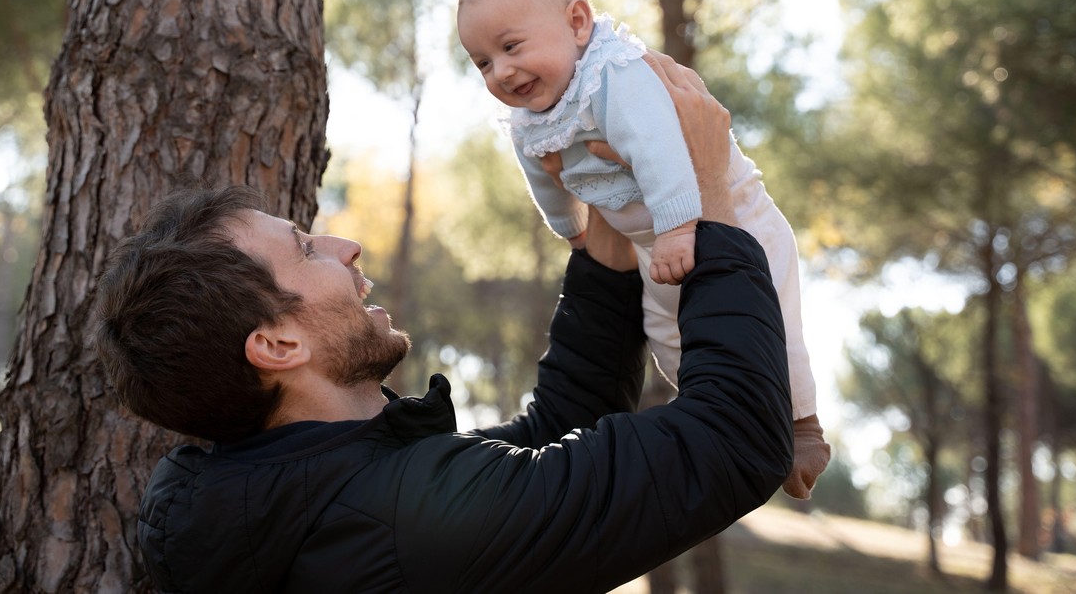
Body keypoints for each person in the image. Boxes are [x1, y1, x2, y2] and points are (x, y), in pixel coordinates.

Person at [95, 55, 794, 594]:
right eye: (307, 250)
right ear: (277, 344)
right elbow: (733, 440)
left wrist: (605, 246)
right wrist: (701, 199)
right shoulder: (401, 525)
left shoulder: (260, 503)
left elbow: (554, 439)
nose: (345, 247)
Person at [456, 0, 829, 498]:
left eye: (511, 47)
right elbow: (544, 178)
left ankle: (802, 425)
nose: (501, 71)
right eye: (483, 62)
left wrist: (682, 227)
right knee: (667, 336)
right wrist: (572, 230)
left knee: (772, 321)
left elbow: (660, 150)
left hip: (727, 215)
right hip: (653, 241)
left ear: (577, 23)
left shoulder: (615, 75)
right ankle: (723, 412)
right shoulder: (531, 116)